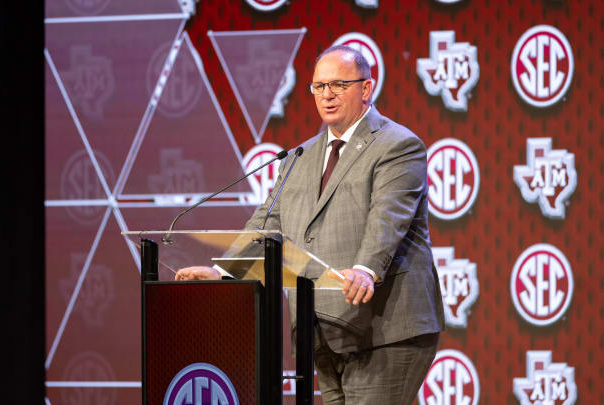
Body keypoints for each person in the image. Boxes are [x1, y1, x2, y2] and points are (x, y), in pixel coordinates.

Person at [176, 45, 445, 404]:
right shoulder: (299, 157)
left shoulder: (397, 146)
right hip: (320, 331)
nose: (327, 95)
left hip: (383, 328)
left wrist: (366, 268)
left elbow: (388, 215)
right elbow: (265, 224)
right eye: (319, 86)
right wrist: (225, 274)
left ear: (366, 88)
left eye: (339, 84)